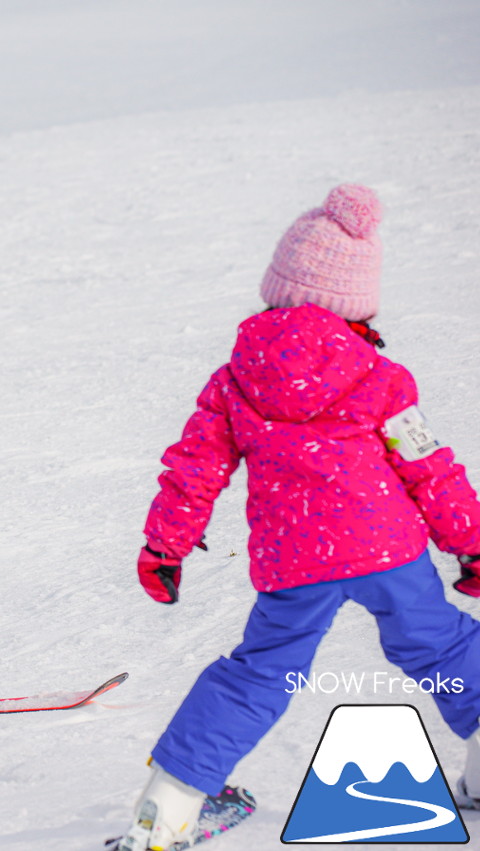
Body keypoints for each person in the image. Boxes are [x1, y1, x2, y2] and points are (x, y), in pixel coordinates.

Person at [117, 184, 480, 850]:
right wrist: (472, 544)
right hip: (388, 553)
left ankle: (162, 815)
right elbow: (430, 466)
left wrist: (164, 545)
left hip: (296, 562)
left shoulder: (235, 380)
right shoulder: (379, 375)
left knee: (259, 673)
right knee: (444, 645)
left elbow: (195, 469)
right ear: (356, 301)